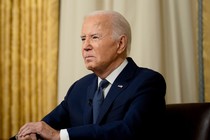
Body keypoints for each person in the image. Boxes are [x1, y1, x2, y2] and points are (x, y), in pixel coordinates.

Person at [11, 10, 166, 140]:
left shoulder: (147, 82)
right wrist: (29, 135)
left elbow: (129, 131)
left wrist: (60, 136)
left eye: (94, 37)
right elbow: (46, 126)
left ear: (120, 44)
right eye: (83, 39)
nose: (85, 46)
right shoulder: (80, 87)